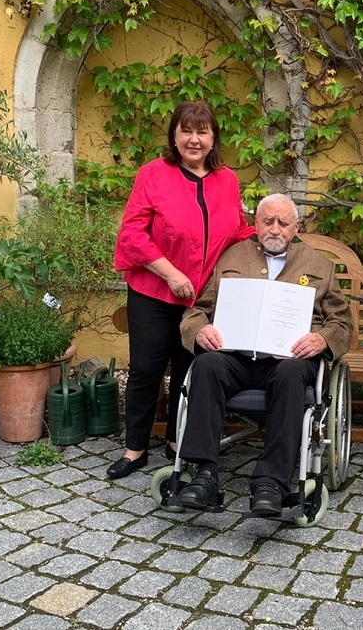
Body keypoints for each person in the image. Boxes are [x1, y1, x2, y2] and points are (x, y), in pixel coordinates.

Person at [175, 194, 353, 514]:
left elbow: (341, 322)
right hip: (235, 357)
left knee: (291, 375)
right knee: (206, 365)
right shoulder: (232, 257)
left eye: (283, 222)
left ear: (295, 227)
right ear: (255, 224)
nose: (275, 229)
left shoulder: (318, 265)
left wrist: (322, 339)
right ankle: (203, 474)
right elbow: (197, 312)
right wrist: (199, 330)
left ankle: (271, 482)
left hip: (288, 360)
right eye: (267, 221)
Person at [109, 101, 255, 479]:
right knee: (146, 370)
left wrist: (273, 239)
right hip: (155, 293)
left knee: (191, 370)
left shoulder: (227, 180)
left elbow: (238, 230)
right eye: (186, 131)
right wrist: (170, 273)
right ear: (174, 136)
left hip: (202, 300)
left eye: (202, 131)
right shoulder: (152, 175)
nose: (194, 139)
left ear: (213, 138)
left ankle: (178, 442)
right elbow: (131, 235)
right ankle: (135, 449)